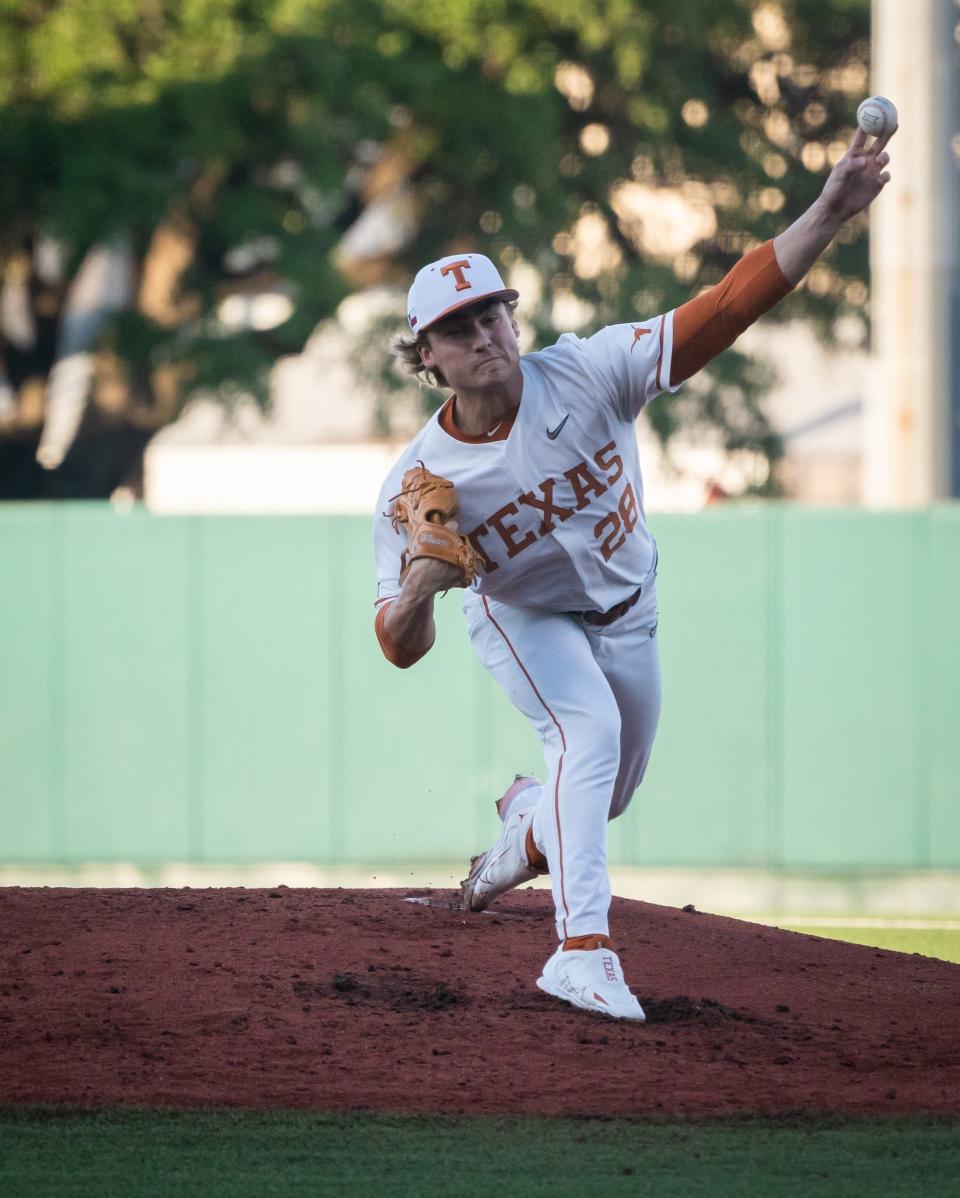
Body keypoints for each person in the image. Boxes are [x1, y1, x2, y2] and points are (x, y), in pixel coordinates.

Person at [372, 126, 893, 1021]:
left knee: (603, 793)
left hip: (628, 603)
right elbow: (397, 646)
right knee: (588, 731)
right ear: (425, 358)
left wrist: (831, 212)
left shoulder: (589, 370)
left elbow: (726, 307)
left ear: (514, 317)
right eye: (456, 329)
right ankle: (581, 951)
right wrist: (423, 580)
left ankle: (523, 830)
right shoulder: (418, 484)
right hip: (522, 614)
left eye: (491, 313)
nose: (482, 334)